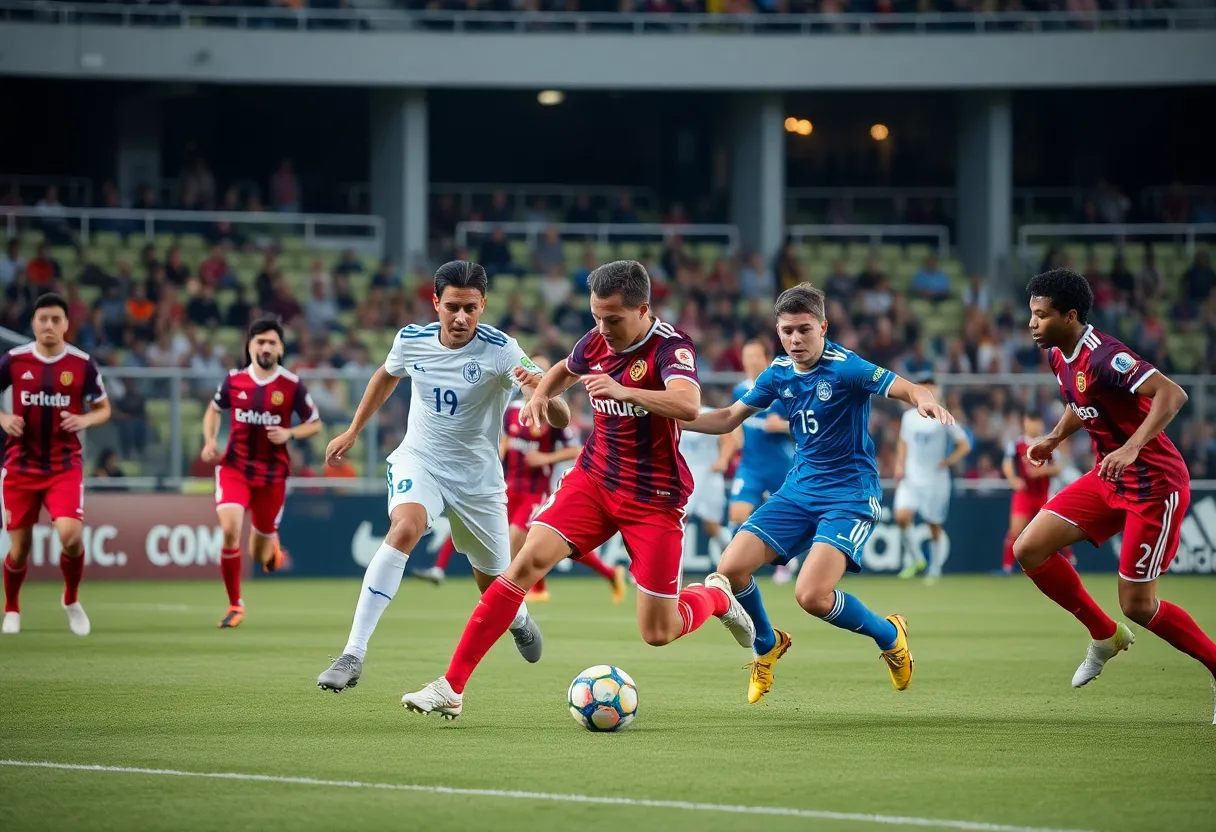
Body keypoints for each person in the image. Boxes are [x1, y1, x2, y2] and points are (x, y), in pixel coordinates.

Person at [401, 260, 755, 719]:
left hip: (654, 498)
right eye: (596, 317)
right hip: (593, 480)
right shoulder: (595, 340)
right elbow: (564, 371)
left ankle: (716, 597)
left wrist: (629, 392)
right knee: (524, 562)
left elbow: (687, 404)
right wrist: (538, 397)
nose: (602, 328)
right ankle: (452, 686)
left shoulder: (671, 347)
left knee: (658, 632)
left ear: (643, 309)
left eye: (613, 319)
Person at [680, 284, 955, 704]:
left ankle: (890, 634)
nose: (795, 340)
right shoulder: (777, 373)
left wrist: (924, 399)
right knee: (732, 568)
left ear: (823, 327)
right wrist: (670, 420)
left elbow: (908, 388)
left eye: (804, 330)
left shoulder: (847, 368)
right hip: (798, 489)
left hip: (849, 494)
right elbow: (728, 418)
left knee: (811, 596)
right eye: (787, 331)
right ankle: (766, 643)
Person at [316, 261, 555, 694]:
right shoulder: (411, 340)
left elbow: (553, 406)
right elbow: (385, 377)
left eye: (469, 308)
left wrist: (541, 393)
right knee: (406, 525)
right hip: (420, 460)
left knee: (494, 587)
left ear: (482, 305)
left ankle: (517, 617)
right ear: (436, 304)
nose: (460, 317)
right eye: (451, 307)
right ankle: (352, 653)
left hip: (478, 481)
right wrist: (353, 430)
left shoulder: (502, 349)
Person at [1015, 269, 1216, 716]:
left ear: (1070, 316)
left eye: (1041, 316)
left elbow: (1172, 394)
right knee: (1029, 548)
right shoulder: (1058, 355)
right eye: (1031, 314)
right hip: (1110, 478)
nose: (1032, 323)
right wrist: (1054, 437)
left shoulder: (1106, 355)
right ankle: (1104, 634)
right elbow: (1080, 402)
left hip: (1154, 485)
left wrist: (1131, 445)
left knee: (1138, 605)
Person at [411, 355, 627, 605]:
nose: (535, 376)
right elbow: (503, 439)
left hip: (536, 491)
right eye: (531, 370)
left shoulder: (554, 412)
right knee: (473, 522)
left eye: (543, 372)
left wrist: (545, 458)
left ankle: (513, 594)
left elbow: (576, 449)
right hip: (508, 485)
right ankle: (600, 575)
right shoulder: (512, 410)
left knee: (520, 536)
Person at [201, 317, 322, 629]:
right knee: (230, 530)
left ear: (280, 348)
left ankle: (273, 550)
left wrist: (290, 433)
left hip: (272, 476)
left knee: (259, 555)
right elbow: (214, 410)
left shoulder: (291, 385)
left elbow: (315, 422)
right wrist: (211, 440)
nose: (265, 347)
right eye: (260, 342)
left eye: (271, 342)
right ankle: (234, 604)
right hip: (235, 468)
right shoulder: (233, 381)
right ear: (250, 346)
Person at [1, 293, 111, 636]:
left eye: (55, 320)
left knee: (70, 535)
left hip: (64, 466)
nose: (48, 325)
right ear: (33, 324)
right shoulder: (13, 360)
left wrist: (85, 420)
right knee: (18, 550)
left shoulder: (82, 364)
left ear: (66, 324)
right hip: (20, 465)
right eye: (42, 319)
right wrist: (3, 418)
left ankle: (71, 599)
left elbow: (103, 408)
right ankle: (13, 608)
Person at [729, 339, 795, 583]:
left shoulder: (783, 388)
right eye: (746, 356)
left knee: (784, 520)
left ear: (766, 359)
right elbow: (734, 422)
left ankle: (784, 563)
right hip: (751, 465)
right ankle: (736, 566)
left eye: (755, 356)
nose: (750, 361)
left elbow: (804, 426)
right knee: (737, 513)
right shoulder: (739, 390)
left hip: (780, 464)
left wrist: (782, 426)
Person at [893, 375, 972, 581]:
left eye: (932, 388)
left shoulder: (943, 417)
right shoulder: (909, 417)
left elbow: (965, 445)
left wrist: (948, 461)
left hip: (935, 479)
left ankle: (935, 569)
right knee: (901, 516)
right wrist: (899, 464)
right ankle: (917, 558)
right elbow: (903, 442)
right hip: (911, 476)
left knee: (933, 524)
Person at [1000, 410, 1061, 575]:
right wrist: (1013, 480)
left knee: (1052, 532)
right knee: (1015, 530)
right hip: (1024, 493)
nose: (1032, 424)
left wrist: (1041, 472)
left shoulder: (1048, 443)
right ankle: (1006, 568)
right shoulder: (1017, 444)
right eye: (1030, 420)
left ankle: (1068, 563)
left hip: (1044, 493)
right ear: (1025, 422)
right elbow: (1006, 464)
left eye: (1036, 421)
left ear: (1040, 423)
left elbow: (1058, 468)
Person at [680, 404, 738, 564]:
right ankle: (666, 565)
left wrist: (724, 460)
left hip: (709, 475)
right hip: (684, 475)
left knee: (711, 524)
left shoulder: (709, 414)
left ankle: (734, 556)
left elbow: (729, 439)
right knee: (679, 518)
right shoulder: (671, 414)